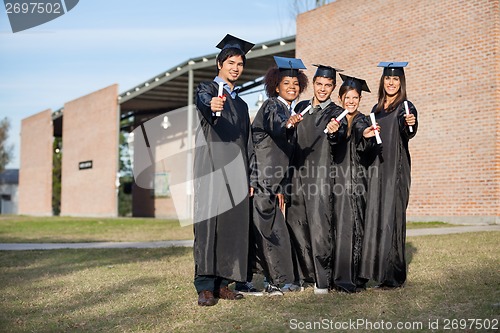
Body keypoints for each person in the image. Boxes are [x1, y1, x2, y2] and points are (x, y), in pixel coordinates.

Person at [192, 34, 255, 306]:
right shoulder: (207, 90)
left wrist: (251, 177)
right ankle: (205, 285)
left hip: (237, 172)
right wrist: (212, 105)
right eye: (231, 62)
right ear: (220, 64)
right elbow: (205, 104)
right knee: (208, 226)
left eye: (240, 64)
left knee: (231, 225)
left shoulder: (241, 104)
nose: (236, 68)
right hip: (211, 168)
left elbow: (249, 142)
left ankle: (223, 283)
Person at [251, 56, 308, 296]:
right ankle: (272, 281)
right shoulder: (273, 106)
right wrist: (287, 124)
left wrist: (282, 185)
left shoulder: (286, 108)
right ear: (276, 86)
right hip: (263, 178)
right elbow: (276, 125)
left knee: (275, 229)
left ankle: (282, 279)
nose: (292, 87)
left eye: (295, 84)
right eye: (287, 83)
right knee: (266, 230)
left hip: (272, 181)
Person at [287, 64, 346, 294]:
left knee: (320, 227)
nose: (323, 89)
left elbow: (339, 137)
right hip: (298, 174)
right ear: (313, 84)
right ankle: (304, 275)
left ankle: (323, 278)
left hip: (321, 175)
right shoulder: (301, 107)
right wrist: (289, 126)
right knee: (297, 224)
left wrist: (335, 131)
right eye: (319, 84)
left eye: (328, 85)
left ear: (333, 87)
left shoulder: (335, 112)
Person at [359, 62, 418, 289]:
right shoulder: (376, 109)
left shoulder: (405, 106)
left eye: (395, 80)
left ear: (401, 83)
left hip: (396, 171)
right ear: (383, 82)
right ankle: (375, 271)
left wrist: (410, 124)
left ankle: (393, 276)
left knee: (391, 219)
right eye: (387, 79)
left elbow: (409, 130)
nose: (391, 83)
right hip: (376, 169)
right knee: (375, 217)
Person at [327, 74, 378, 293]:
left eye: (355, 97)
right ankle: (337, 275)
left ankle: (356, 277)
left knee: (356, 226)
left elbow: (362, 138)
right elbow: (333, 141)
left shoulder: (363, 120)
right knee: (337, 226)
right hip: (337, 180)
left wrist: (366, 136)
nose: (351, 101)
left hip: (357, 181)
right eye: (347, 97)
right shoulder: (335, 119)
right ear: (340, 98)